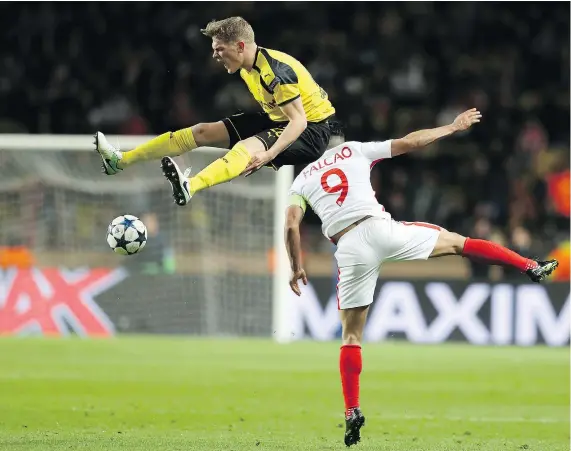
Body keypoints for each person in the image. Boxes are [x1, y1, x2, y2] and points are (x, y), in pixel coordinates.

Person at [283, 108, 559, 447]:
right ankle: (529, 265)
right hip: (379, 228)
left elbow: (291, 225)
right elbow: (410, 142)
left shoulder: (300, 180)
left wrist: (296, 265)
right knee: (459, 244)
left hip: (349, 246)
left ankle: (351, 411)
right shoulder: (353, 149)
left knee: (351, 336)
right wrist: (451, 128)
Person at [94, 16, 339, 206]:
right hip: (280, 120)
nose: (214, 55)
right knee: (201, 132)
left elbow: (299, 122)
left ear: (240, 46)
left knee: (246, 149)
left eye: (220, 49)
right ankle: (120, 161)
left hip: (312, 131)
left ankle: (190, 186)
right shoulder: (248, 67)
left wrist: (269, 153)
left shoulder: (275, 73)